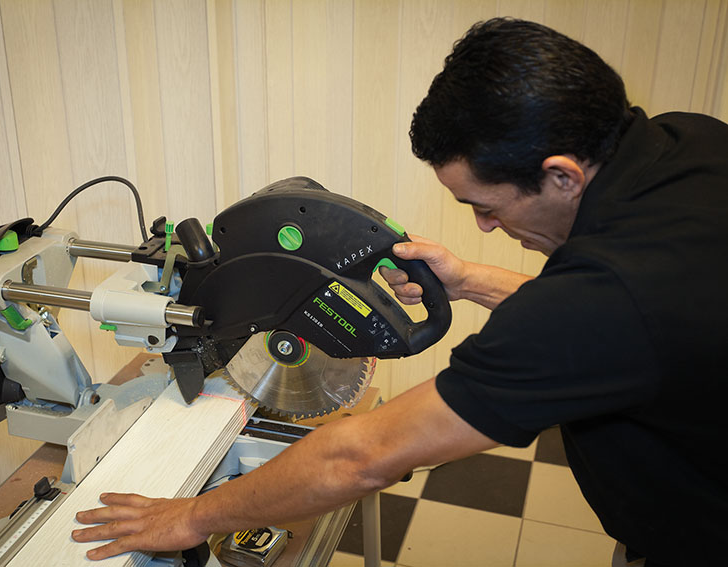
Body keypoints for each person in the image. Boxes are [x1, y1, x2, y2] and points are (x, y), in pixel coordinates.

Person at [72, 18, 728, 565]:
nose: (485, 226)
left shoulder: (603, 302)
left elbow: (362, 457)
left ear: (562, 175)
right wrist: (467, 279)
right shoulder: (692, 141)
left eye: (487, 207)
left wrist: (189, 516)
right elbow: (633, 322)